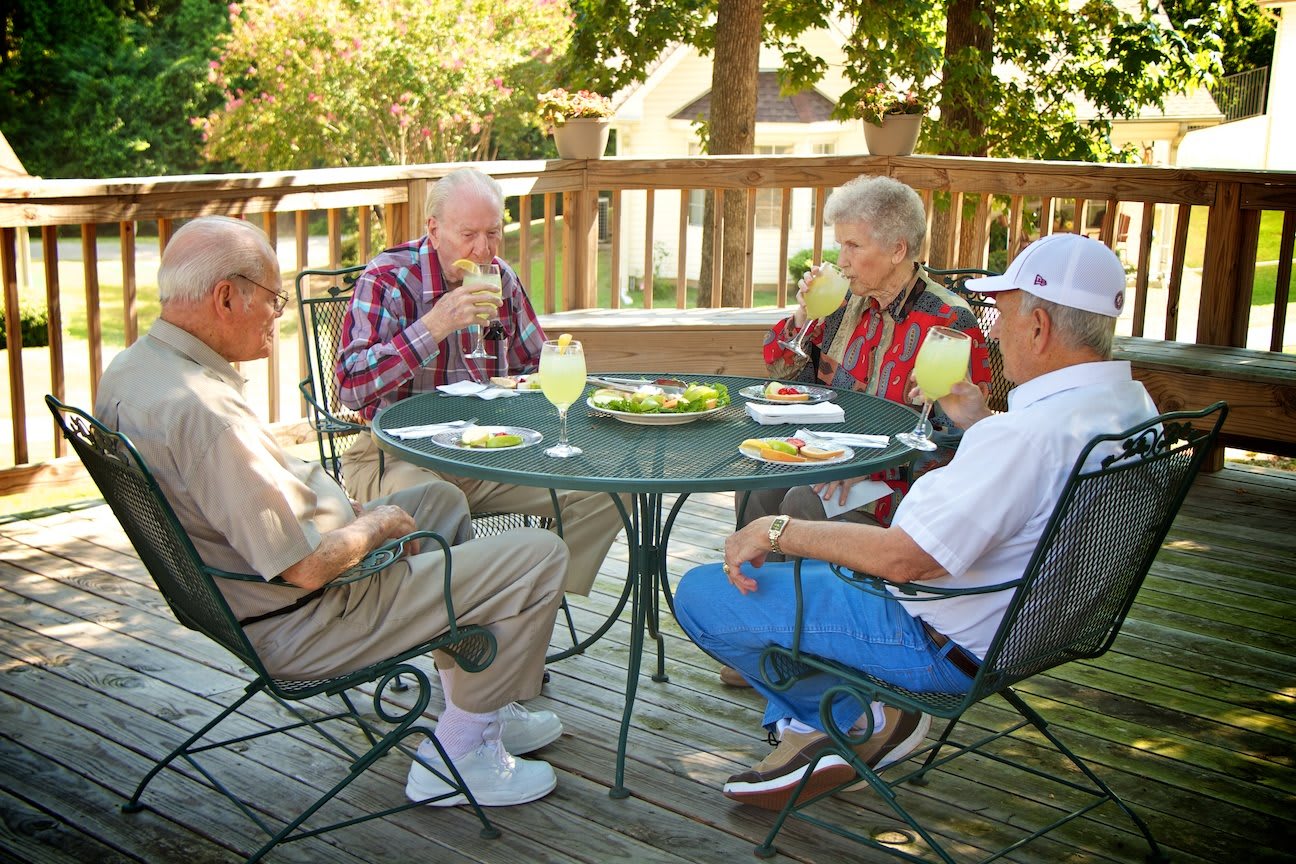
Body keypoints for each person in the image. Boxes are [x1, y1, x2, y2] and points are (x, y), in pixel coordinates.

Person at [95, 215, 569, 808]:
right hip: (309, 620)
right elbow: (307, 570)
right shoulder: (204, 415)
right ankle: (460, 755)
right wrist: (374, 524)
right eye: (272, 298)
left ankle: (478, 699)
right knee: (539, 555)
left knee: (439, 501)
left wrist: (347, 512)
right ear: (225, 298)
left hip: (239, 598)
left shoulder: (138, 369)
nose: (279, 313)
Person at [675, 233, 1156, 812]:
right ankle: (827, 720)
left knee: (702, 592)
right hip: (1039, 632)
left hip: (933, 639)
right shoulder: (1132, 410)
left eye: (1002, 315)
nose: (995, 333)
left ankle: (856, 718)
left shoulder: (1028, 436)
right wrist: (979, 421)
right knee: (784, 553)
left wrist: (775, 531)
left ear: (1040, 327)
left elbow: (904, 559)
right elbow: (1029, 491)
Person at [722, 176, 991, 688]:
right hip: (830, 455)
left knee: (803, 503)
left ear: (897, 249)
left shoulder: (950, 322)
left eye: (853, 246)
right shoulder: (843, 303)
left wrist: (862, 465)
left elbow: (953, 437)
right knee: (758, 482)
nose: (840, 260)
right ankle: (763, 636)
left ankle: (807, 647)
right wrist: (803, 317)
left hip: (902, 481)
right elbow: (782, 372)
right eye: (838, 244)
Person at [336, 167, 624, 596]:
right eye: (468, 234)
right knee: (436, 499)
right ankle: (459, 638)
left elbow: (535, 366)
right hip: (393, 456)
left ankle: (528, 605)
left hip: (488, 450)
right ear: (433, 229)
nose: (483, 249)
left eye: (493, 234)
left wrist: (566, 377)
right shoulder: (388, 279)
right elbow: (350, 386)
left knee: (607, 489)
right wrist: (435, 325)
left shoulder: (499, 279)